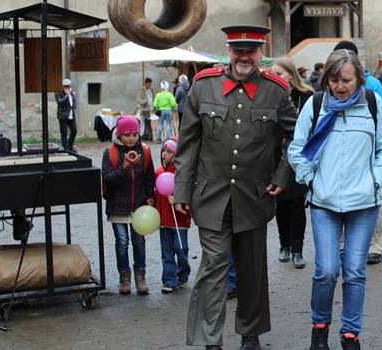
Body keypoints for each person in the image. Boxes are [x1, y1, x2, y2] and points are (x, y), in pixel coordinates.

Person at [174, 25, 298, 350]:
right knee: (213, 266)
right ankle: (209, 339)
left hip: (255, 197)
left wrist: (281, 177)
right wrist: (181, 192)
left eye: (251, 50)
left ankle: (250, 334)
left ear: (260, 53)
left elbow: (295, 139)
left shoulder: (276, 91)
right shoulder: (203, 87)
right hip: (210, 196)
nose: (244, 56)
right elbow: (187, 146)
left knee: (252, 269)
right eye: (237, 50)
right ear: (228, 51)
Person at [288, 49, 382, 350]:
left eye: (346, 80)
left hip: (363, 202)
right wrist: (310, 178)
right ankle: (319, 328)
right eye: (334, 79)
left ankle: (350, 334)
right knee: (326, 270)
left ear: (358, 79)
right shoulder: (316, 105)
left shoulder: (373, 105)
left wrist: (375, 178)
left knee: (354, 271)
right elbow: (297, 149)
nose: (340, 86)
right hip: (325, 202)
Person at [333, 40, 382, 264]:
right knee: (339, 198)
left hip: (367, 152)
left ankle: (374, 244)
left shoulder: (372, 85)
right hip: (339, 153)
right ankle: (345, 243)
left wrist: (379, 172)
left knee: (370, 199)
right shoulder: (330, 85)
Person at [101, 115, 155, 295]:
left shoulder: (144, 151)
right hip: (118, 207)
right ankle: (124, 277)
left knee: (139, 242)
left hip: (139, 207)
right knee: (122, 242)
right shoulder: (111, 153)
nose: (132, 138)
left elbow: (149, 177)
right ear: (120, 135)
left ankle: (141, 277)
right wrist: (124, 168)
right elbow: (107, 179)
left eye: (135, 134)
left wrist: (150, 197)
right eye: (128, 134)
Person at [270, 56, 315, 269]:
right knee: (281, 204)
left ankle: (297, 249)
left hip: (298, 156)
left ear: (291, 74)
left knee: (297, 204)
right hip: (277, 157)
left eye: (279, 73)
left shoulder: (306, 95)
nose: (275, 77)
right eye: (273, 73)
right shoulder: (269, 95)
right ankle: (284, 245)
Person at [155, 137, 191, 293]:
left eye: (169, 151)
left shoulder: (182, 174)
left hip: (180, 220)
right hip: (164, 220)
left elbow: (189, 193)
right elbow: (156, 192)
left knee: (181, 248)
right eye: (164, 150)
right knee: (167, 251)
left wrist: (177, 197)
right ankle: (169, 280)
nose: (165, 154)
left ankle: (183, 273)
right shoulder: (159, 172)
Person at [55, 78, 77, 151]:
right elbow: (60, 102)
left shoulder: (71, 93)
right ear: (63, 87)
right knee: (64, 132)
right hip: (63, 116)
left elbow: (73, 101)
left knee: (74, 130)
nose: (68, 88)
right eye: (66, 86)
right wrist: (66, 95)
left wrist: (74, 108)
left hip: (71, 115)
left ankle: (70, 146)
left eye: (68, 86)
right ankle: (66, 147)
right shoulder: (58, 93)